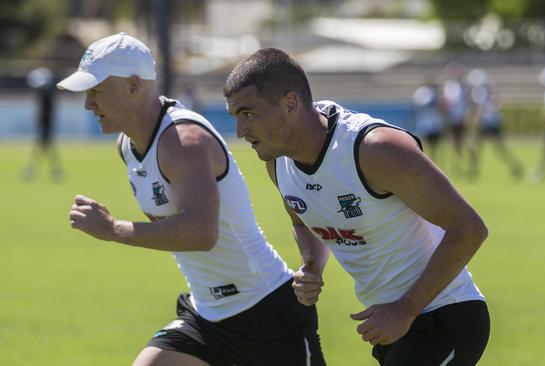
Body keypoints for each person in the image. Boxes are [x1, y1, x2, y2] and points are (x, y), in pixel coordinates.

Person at [58, 33, 325, 366]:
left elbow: (200, 232)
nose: (88, 103)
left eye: (97, 90)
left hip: (266, 314)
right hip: (206, 316)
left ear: (133, 85)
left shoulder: (185, 142)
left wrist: (113, 228)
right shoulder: (127, 145)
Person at [224, 48, 490, 366]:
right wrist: (311, 265)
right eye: (236, 117)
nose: (240, 131)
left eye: (248, 114)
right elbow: (300, 220)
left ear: (290, 103)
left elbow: (470, 228)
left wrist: (405, 309)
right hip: (390, 325)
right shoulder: (279, 163)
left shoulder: (375, 149)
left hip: (446, 316)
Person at [465, 68, 523, 181]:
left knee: (476, 147)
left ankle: (473, 172)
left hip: (486, 124)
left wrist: (473, 120)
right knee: (495, 149)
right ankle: (515, 167)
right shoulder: (487, 90)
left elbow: (478, 108)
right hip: (492, 123)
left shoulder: (479, 91)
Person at [23, 67, 64, 181]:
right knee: (47, 149)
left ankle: (39, 170)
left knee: (44, 149)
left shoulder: (47, 96)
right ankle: (55, 170)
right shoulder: (47, 95)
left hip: (46, 126)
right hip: (45, 125)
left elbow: (45, 113)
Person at [441, 62, 471, 176]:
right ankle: (456, 165)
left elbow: (466, 102)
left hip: (460, 118)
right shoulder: (448, 85)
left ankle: (463, 164)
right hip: (452, 118)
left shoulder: (463, 86)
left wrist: (466, 116)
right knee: (453, 143)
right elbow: (446, 102)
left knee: (462, 142)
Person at [407, 83, 445, 163]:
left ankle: (434, 161)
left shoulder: (435, 96)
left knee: (435, 146)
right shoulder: (423, 94)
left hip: (434, 123)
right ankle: (428, 161)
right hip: (426, 124)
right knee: (426, 145)